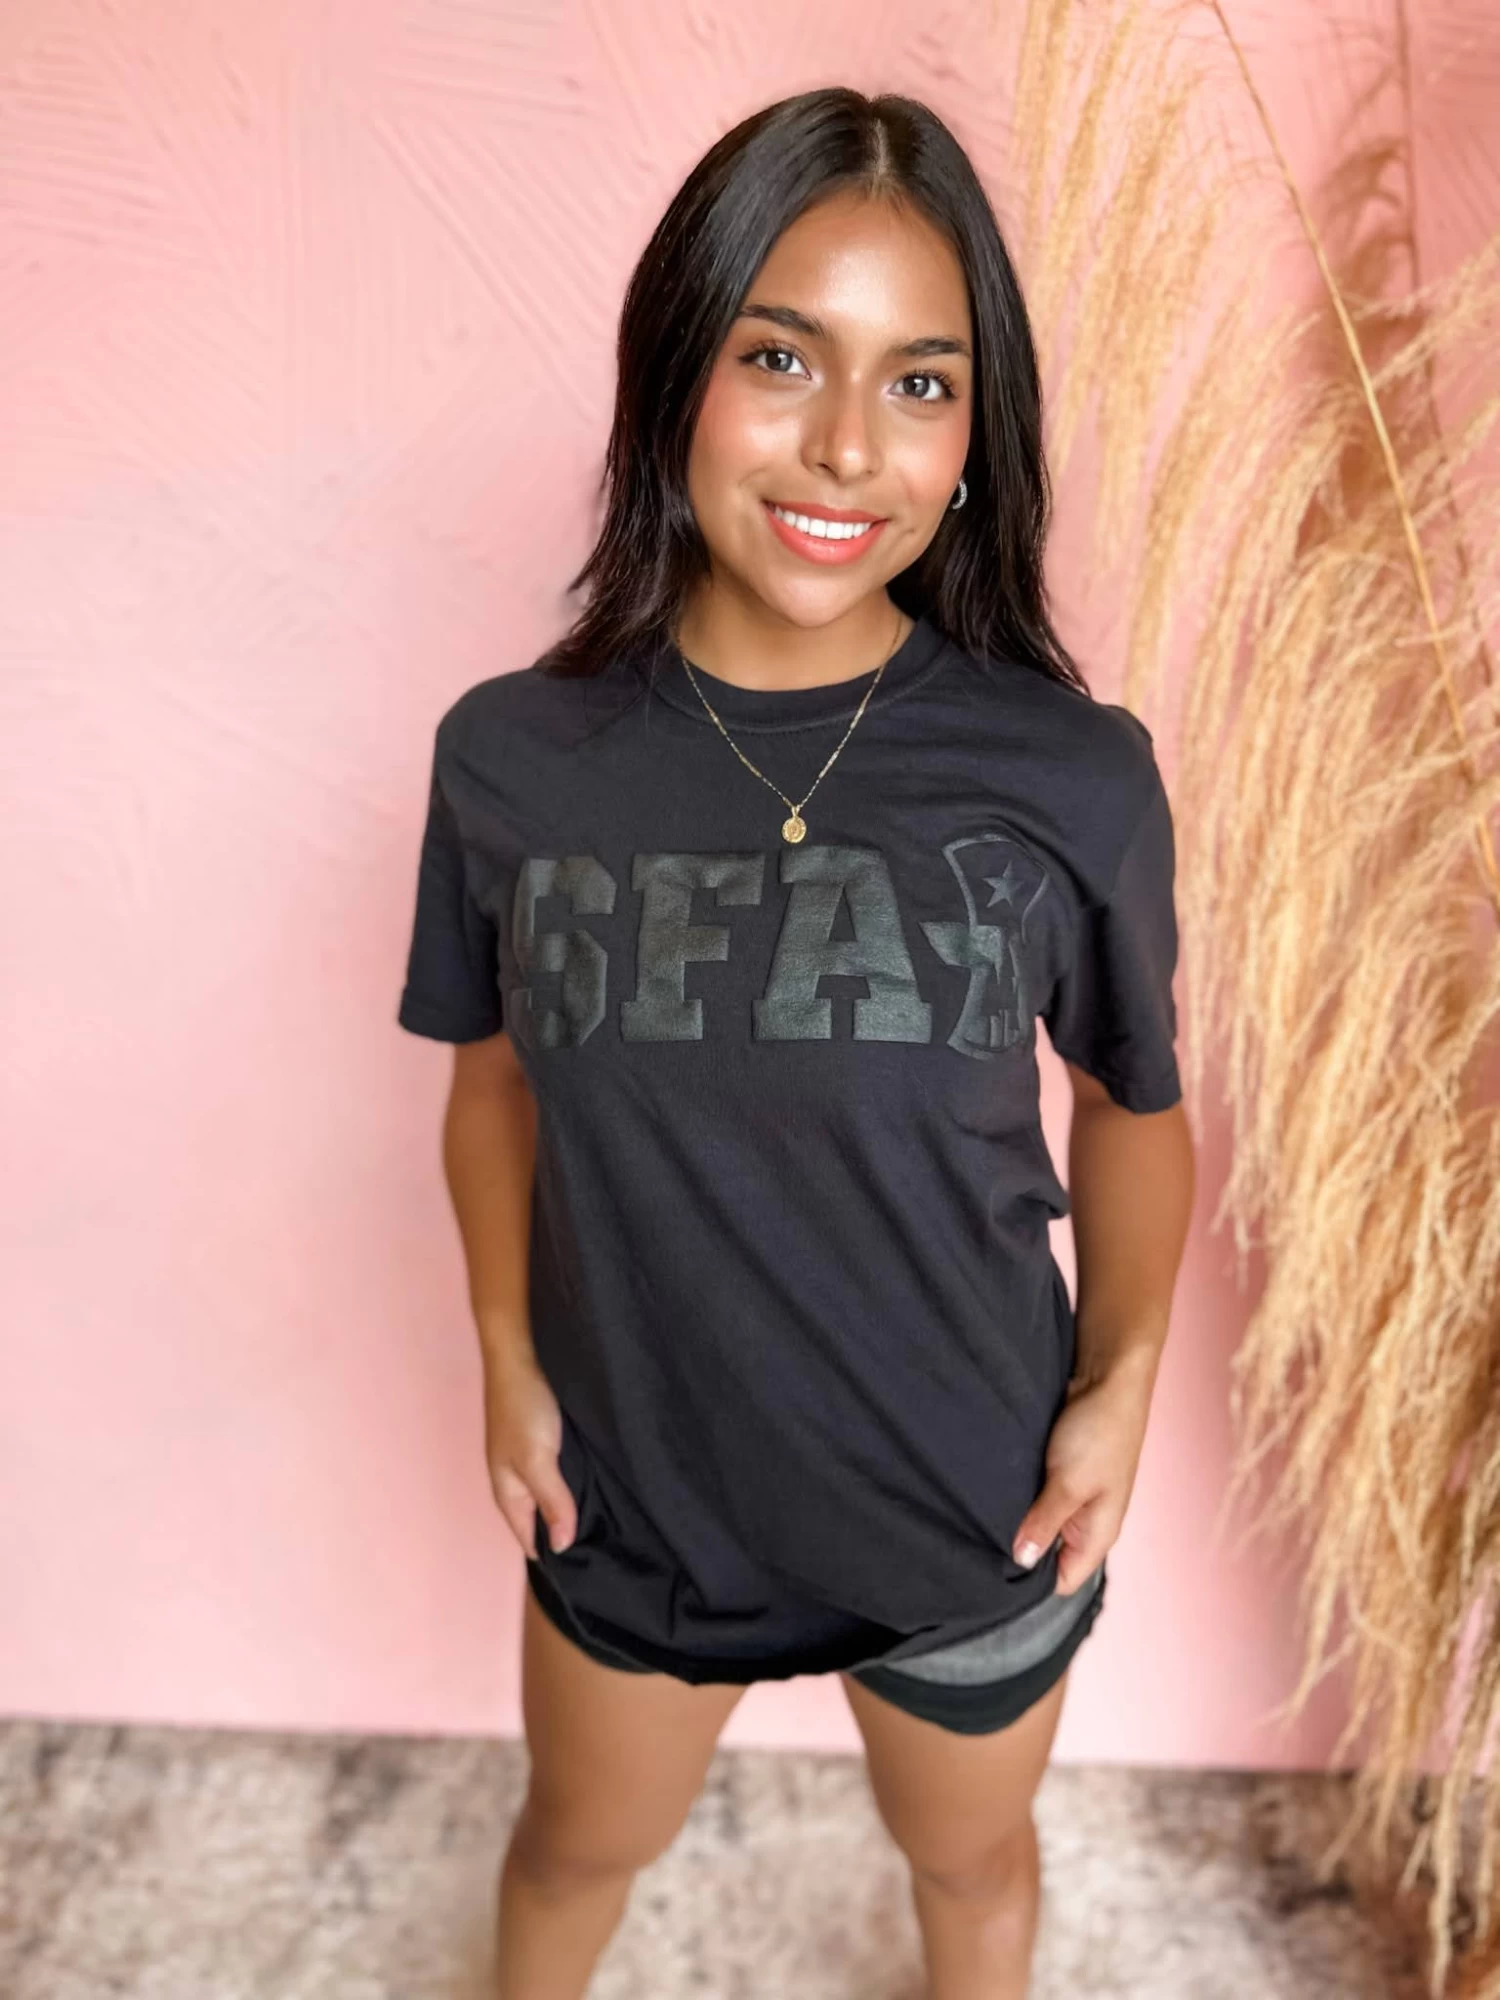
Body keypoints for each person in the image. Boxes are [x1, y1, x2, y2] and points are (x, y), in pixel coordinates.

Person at [397, 85, 1196, 2000]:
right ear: (677, 371)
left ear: (977, 438)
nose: (849, 444)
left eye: (921, 385)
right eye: (780, 358)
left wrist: (1122, 1378)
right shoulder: (512, 759)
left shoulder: (1071, 777)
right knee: (572, 1852)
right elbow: (487, 1083)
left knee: (973, 1873)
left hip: (971, 1497)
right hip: (637, 1493)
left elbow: (1133, 1104)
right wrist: (505, 1353)